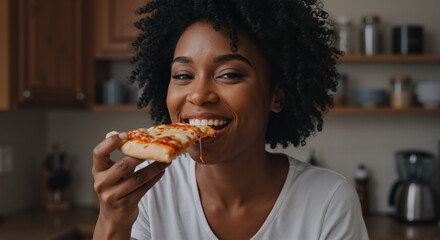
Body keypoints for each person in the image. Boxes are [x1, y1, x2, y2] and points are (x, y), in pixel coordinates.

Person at [92, 0, 369, 239]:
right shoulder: (149, 188)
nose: (199, 95)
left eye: (228, 74)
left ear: (277, 97)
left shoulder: (330, 200)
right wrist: (112, 219)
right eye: (183, 76)